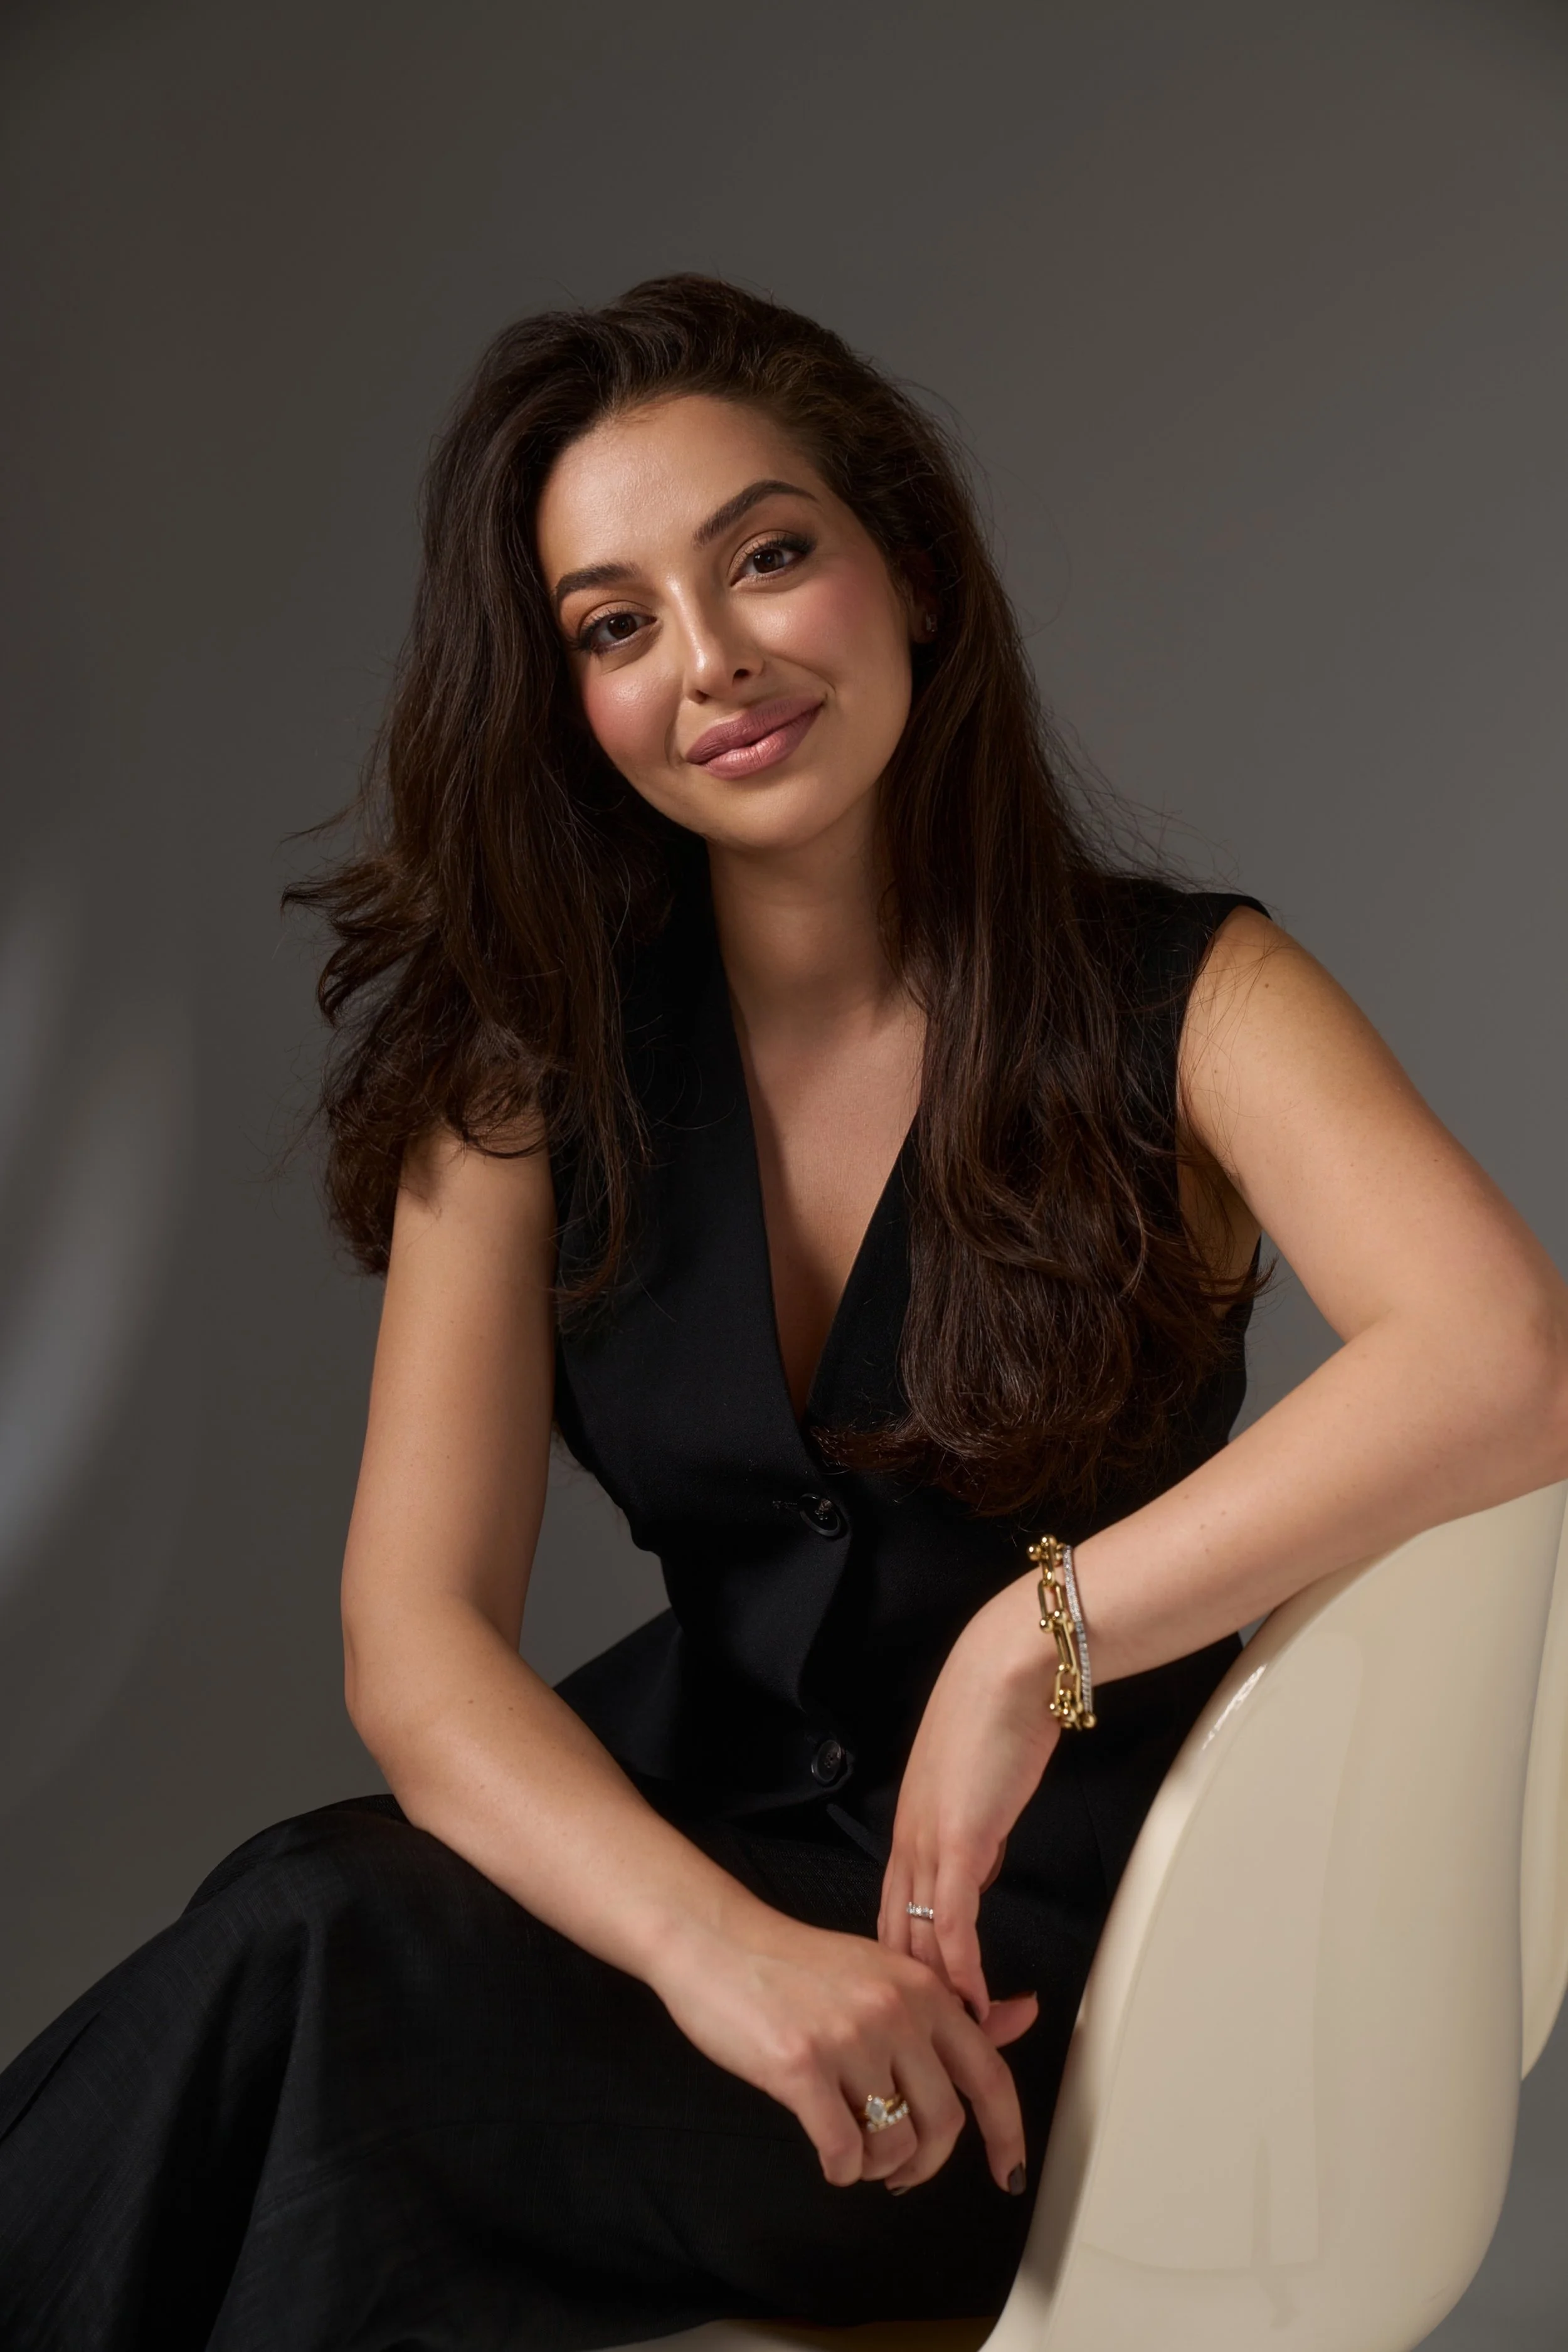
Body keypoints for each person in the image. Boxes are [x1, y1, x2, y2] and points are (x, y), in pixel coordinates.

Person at [2, 274, 1565, 2352]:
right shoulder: (522, 1073)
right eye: (613, 624)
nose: (710, 661)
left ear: (905, 567)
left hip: (1031, 2013)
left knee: (316, 1981)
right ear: (566, 697)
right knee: (309, 2006)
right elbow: (418, 1641)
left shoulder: (1188, 997)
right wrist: (712, 1948)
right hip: (673, 1908)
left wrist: (1034, 1639)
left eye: (762, 557)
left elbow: (1504, 1354)